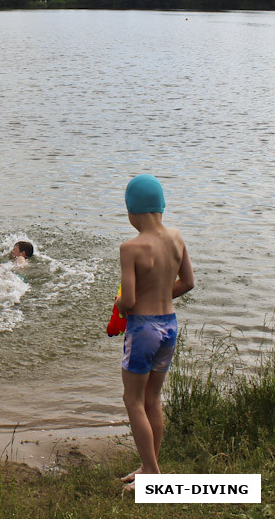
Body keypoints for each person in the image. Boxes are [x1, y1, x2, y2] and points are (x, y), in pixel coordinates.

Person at [115, 174, 194, 490]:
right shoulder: (176, 237)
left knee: (132, 399)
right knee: (153, 398)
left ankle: (152, 475)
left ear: (133, 212)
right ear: (160, 207)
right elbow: (187, 282)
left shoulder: (131, 247)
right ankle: (151, 466)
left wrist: (119, 304)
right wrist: (160, 295)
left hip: (143, 329)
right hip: (169, 326)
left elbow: (130, 300)